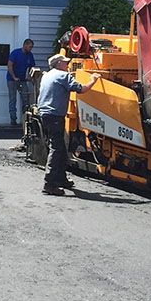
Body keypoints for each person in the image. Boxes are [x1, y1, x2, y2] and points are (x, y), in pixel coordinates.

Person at [36, 53, 100, 196]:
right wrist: (93, 80)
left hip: (44, 115)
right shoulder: (63, 76)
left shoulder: (47, 75)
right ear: (59, 64)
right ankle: (49, 183)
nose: (67, 64)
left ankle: (61, 178)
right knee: (57, 149)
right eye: (65, 63)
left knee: (60, 147)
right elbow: (81, 89)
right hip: (55, 116)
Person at [6, 38, 36, 126]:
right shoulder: (15, 53)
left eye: (32, 47)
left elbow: (32, 68)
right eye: (30, 47)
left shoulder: (30, 55)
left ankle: (25, 120)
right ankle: (13, 120)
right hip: (12, 80)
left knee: (25, 98)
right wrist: (14, 77)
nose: (31, 49)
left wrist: (30, 77)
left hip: (23, 80)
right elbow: (9, 65)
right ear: (25, 45)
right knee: (13, 99)